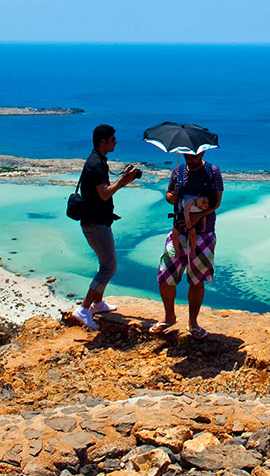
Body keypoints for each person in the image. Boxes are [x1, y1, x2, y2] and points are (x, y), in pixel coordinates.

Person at [71, 125, 139, 330]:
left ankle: (98, 303)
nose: (115, 142)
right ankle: (83, 309)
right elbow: (104, 194)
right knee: (109, 266)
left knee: (104, 263)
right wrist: (122, 180)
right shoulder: (96, 165)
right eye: (112, 139)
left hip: (96, 221)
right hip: (95, 223)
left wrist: (123, 180)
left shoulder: (97, 160)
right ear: (103, 142)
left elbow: (105, 191)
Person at [152, 151, 223, 338]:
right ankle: (169, 317)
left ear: (202, 153)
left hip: (203, 234)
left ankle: (193, 323)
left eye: (193, 157)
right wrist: (171, 197)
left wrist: (198, 216)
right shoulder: (178, 171)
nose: (189, 161)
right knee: (165, 274)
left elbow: (217, 201)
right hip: (179, 230)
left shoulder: (212, 171)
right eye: (186, 157)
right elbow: (168, 195)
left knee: (197, 280)